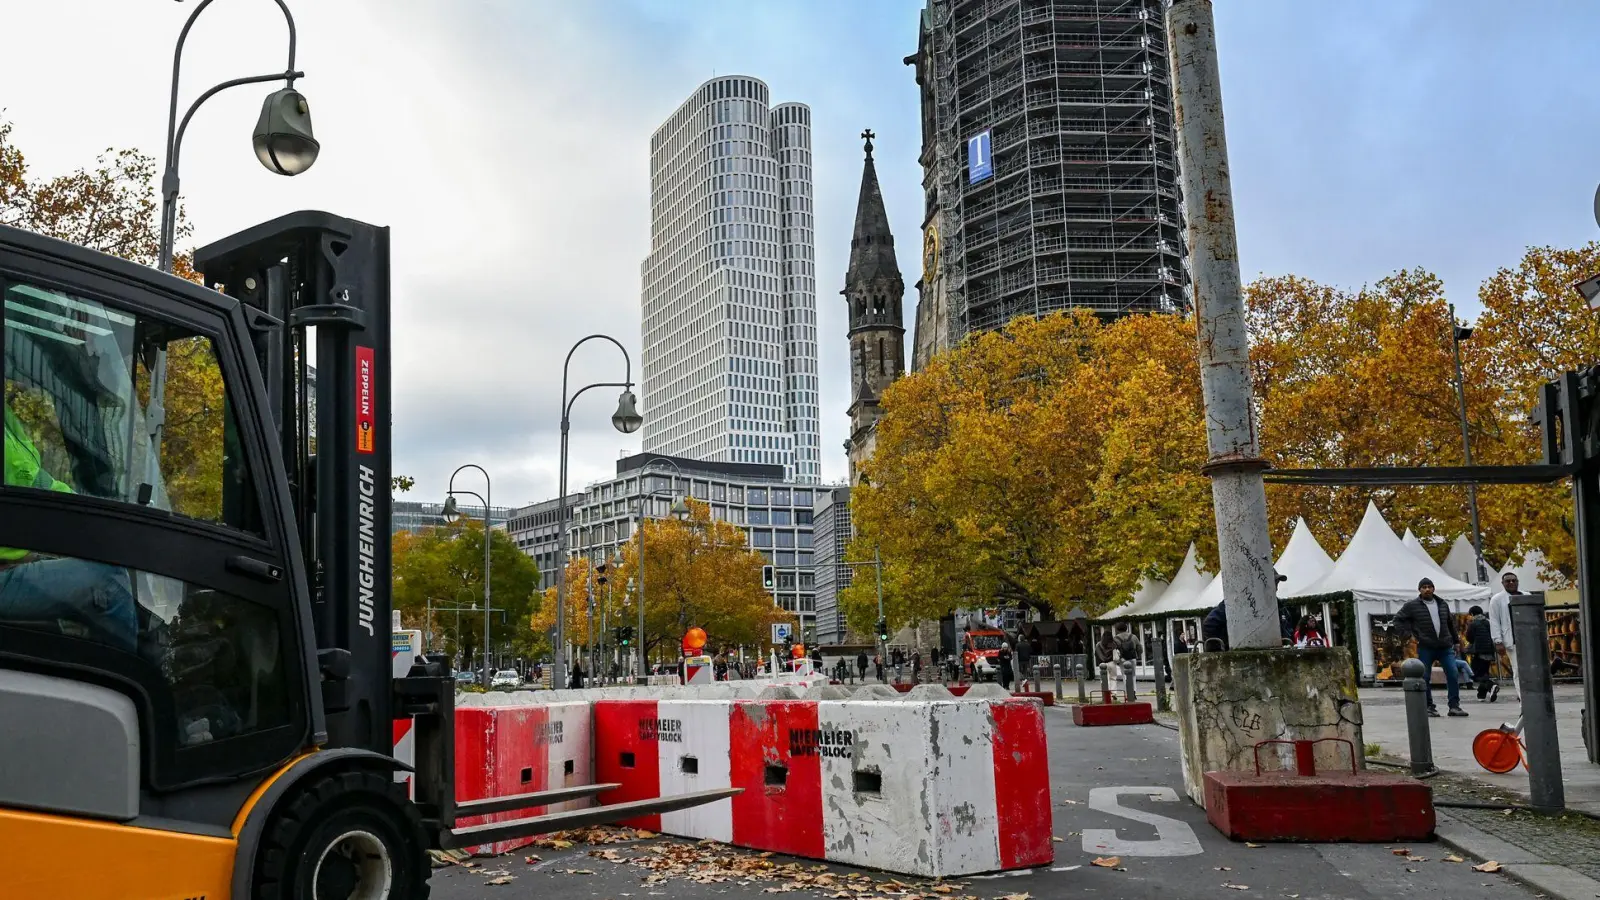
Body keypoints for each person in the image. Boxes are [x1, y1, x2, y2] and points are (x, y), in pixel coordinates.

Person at [1, 405, 138, 652]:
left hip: (15, 560)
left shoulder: (7, 419)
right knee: (108, 579)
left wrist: (97, 517)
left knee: (107, 566)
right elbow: (33, 490)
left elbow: (38, 483)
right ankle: (131, 673)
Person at [1394, 577, 1466, 717]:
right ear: (1419, 590)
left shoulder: (1442, 604)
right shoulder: (1412, 605)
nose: (1427, 589)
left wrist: (1456, 641)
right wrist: (1408, 634)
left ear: (1433, 588)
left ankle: (1454, 706)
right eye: (1424, 587)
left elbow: (1450, 624)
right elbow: (1398, 619)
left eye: (1429, 587)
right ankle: (1428, 706)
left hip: (1445, 646)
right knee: (1425, 676)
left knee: (1453, 673)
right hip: (1426, 646)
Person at [1488, 571, 1523, 702]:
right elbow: (1494, 621)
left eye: (1514, 580)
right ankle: (1522, 697)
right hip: (1512, 640)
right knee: (1518, 670)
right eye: (1508, 581)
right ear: (1502, 583)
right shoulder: (1497, 599)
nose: (1511, 583)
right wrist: (1498, 641)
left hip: (1529, 639)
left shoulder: (1526, 595)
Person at [1464, 605, 1498, 701]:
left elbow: (1469, 638)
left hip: (1478, 651)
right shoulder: (1488, 622)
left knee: (1477, 674)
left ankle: (1491, 686)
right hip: (1489, 651)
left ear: (1472, 614)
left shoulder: (1473, 624)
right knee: (1484, 672)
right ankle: (1481, 695)